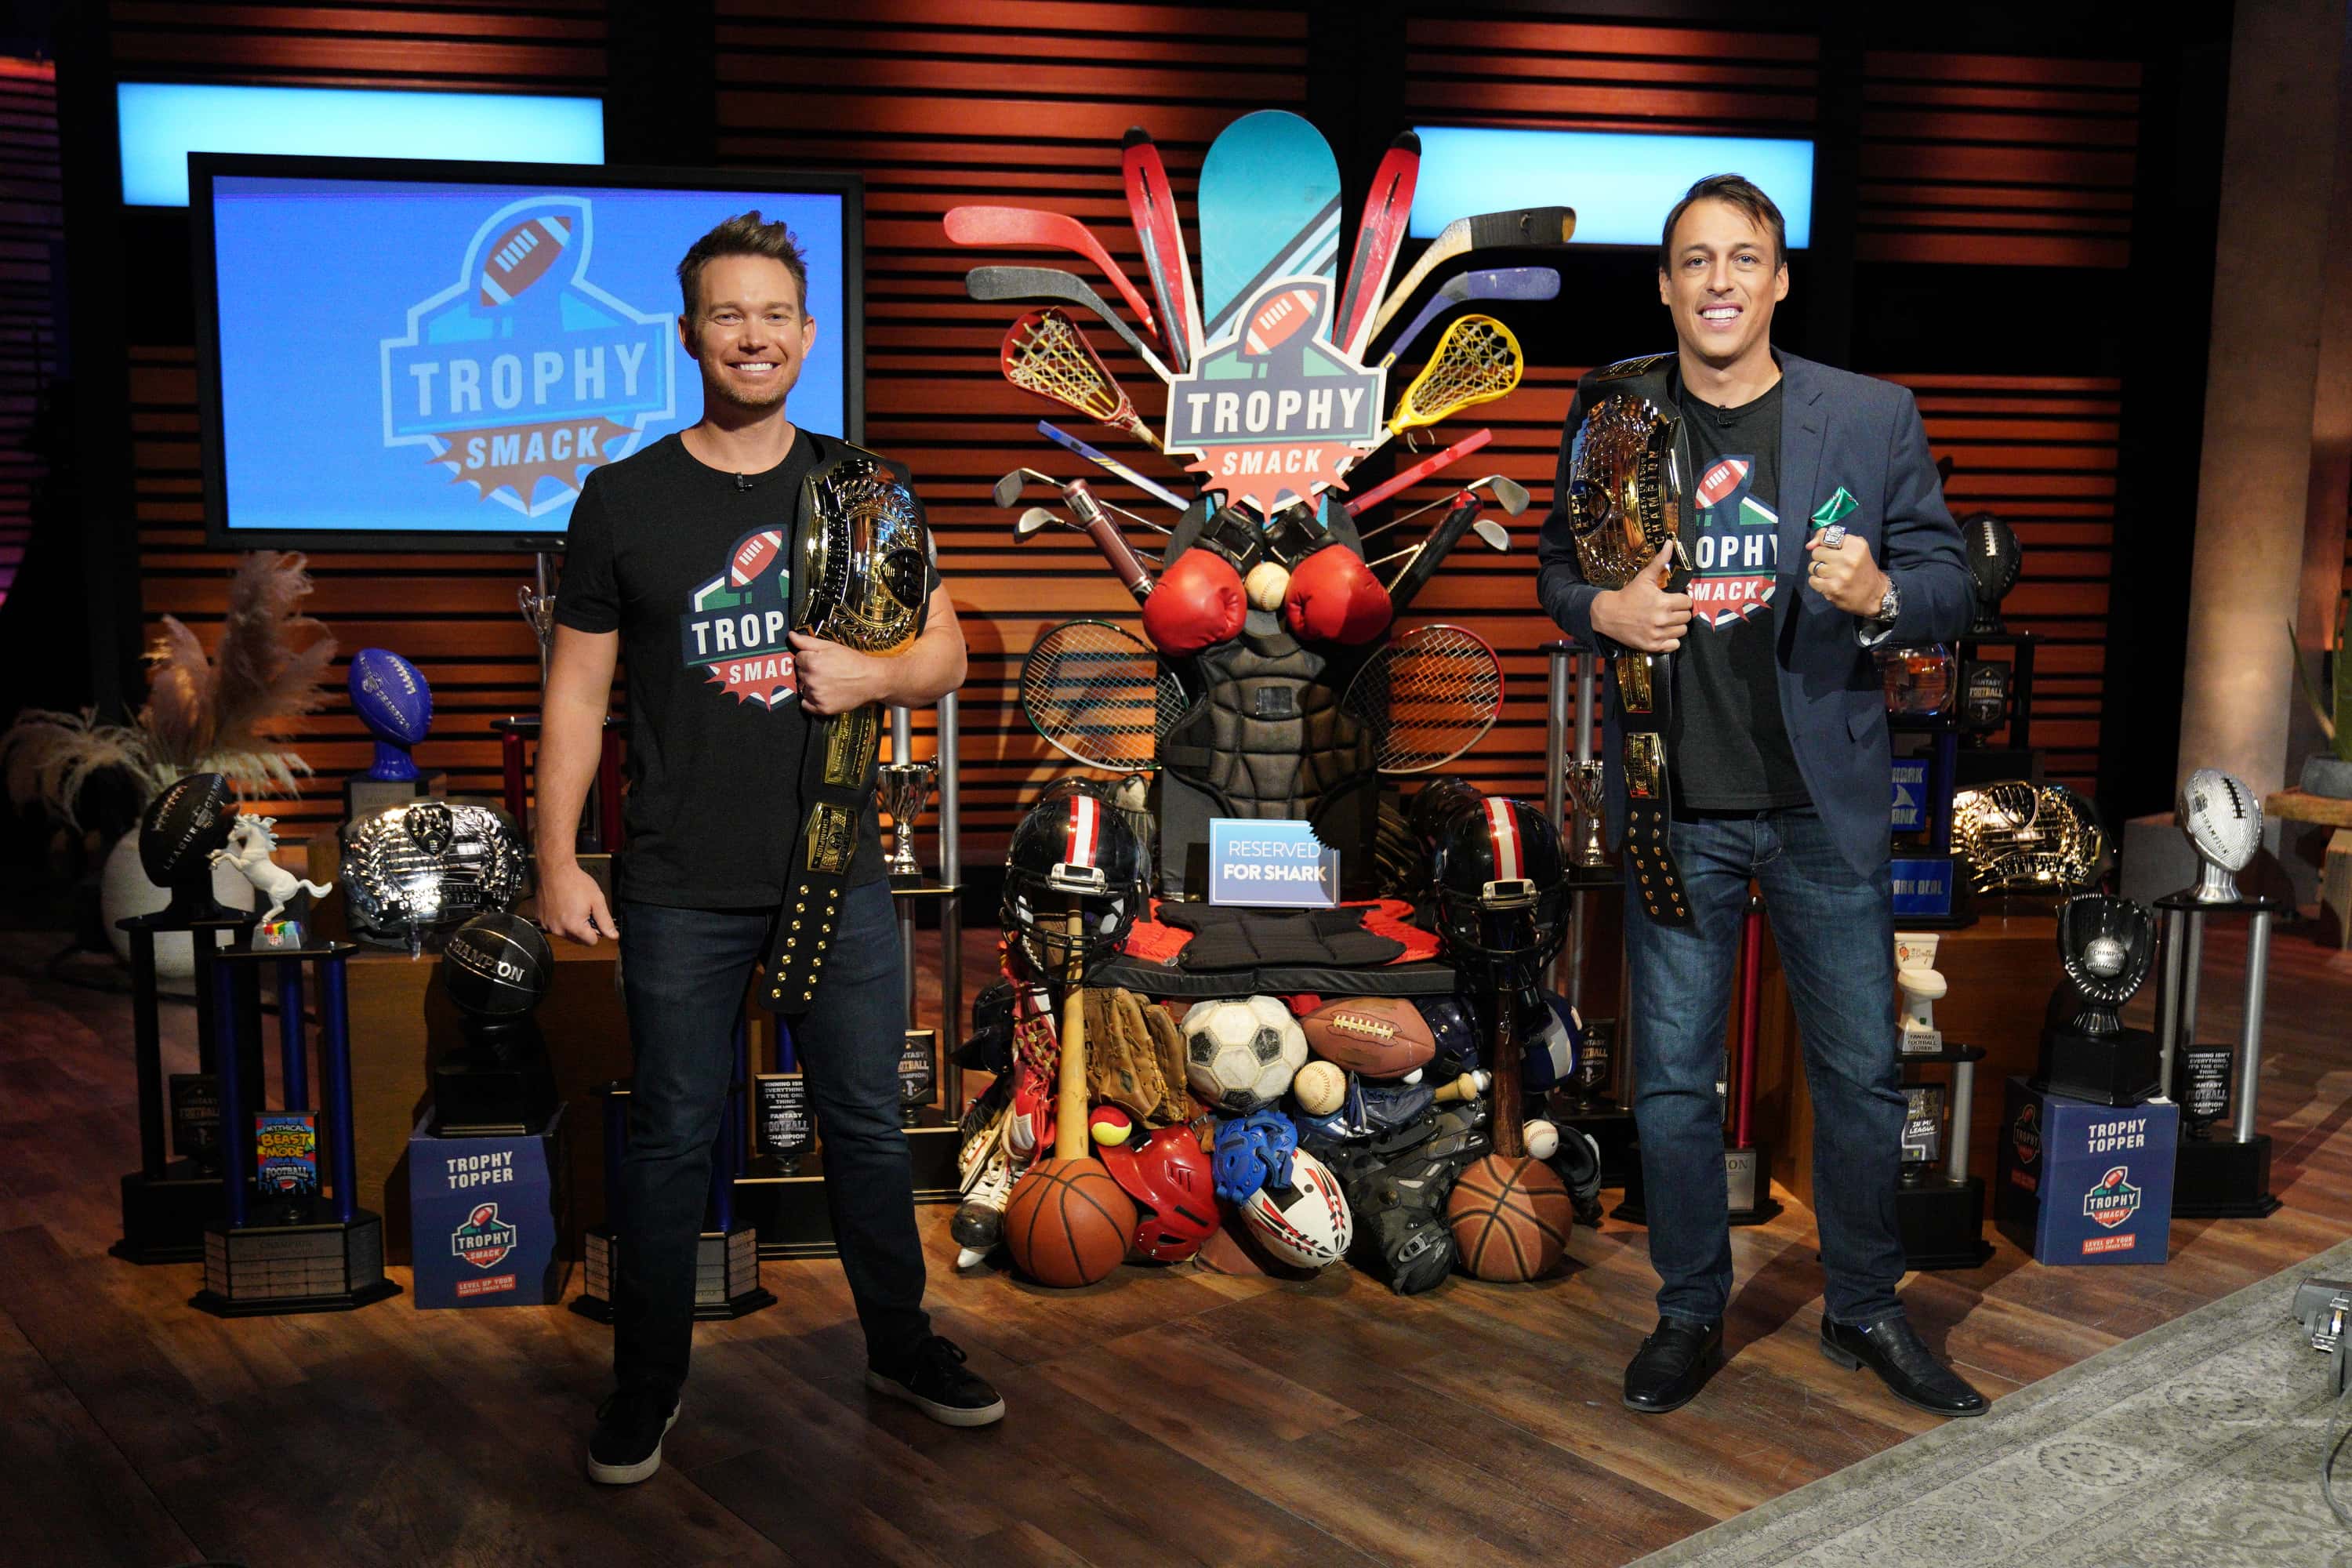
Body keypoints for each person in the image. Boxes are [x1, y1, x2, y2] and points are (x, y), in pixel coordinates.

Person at [538, 212, 1004, 1486]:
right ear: (690, 334)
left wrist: (873, 676)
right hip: (678, 885)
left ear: (807, 335)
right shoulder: (622, 499)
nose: (754, 335)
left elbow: (946, 655)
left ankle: (900, 1345)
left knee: (867, 1127)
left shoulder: (867, 490)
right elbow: (575, 694)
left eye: (776, 315)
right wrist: (558, 860)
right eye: (728, 314)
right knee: (672, 1136)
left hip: (836, 873)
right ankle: (646, 1384)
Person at [1535, 176, 1984, 1419]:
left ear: (1780, 281)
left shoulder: (1872, 414)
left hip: (1820, 809)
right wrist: (1604, 611)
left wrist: (1882, 595)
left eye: (1744, 258)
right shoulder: (1615, 412)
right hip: (1677, 802)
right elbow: (1559, 570)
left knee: (1862, 1079)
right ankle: (1689, 1310)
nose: (1720, 280)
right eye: (1696, 260)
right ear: (1666, 285)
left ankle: (1866, 1307)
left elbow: (1951, 579)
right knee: (1677, 1084)